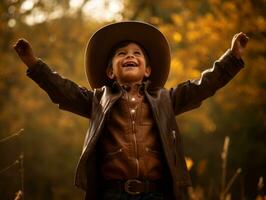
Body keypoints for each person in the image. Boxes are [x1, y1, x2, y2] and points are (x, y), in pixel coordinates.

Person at [13, 21, 249, 200]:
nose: (130, 56)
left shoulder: (165, 100)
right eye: (121, 54)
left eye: (137, 54)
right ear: (110, 72)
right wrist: (34, 64)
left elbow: (202, 86)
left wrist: (232, 57)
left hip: (157, 193)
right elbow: (62, 89)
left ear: (147, 70)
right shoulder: (97, 101)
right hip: (111, 194)